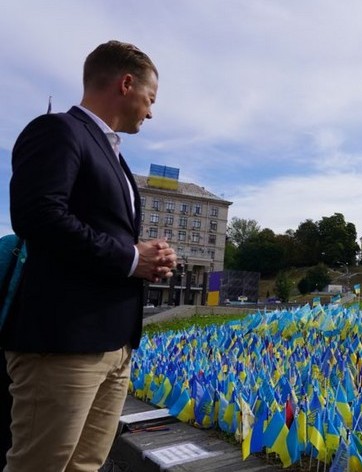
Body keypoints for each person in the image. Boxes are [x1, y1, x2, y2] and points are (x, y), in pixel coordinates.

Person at [0, 40, 177, 471]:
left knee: (86, 464)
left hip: (113, 345)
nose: (150, 112)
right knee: (40, 464)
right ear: (126, 83)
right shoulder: (58, 130)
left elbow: (103, 236)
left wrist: (148, 258)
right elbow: (38, 216)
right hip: (65, 343)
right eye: (150, 99)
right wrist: (132, 258)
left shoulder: (114, 156)